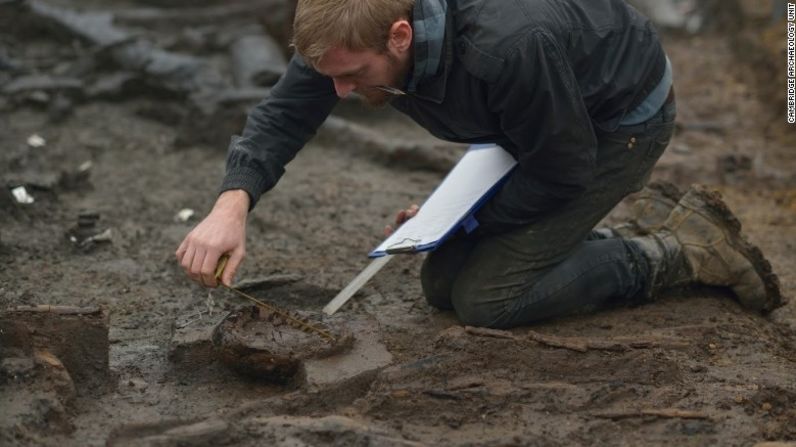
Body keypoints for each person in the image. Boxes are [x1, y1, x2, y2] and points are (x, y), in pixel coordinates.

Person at [176, 0, 784, 328]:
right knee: (441, 286)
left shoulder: (507, 46)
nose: (338, 93)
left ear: (399, 36)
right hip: (530, 118)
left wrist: (461, 220)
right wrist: (233, 203)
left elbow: (561, 167)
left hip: (613, 121)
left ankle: (683, 248)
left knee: (490, 301)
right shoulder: (344, 30)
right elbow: (284, 113)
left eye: (352, 77)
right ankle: (583, 239)